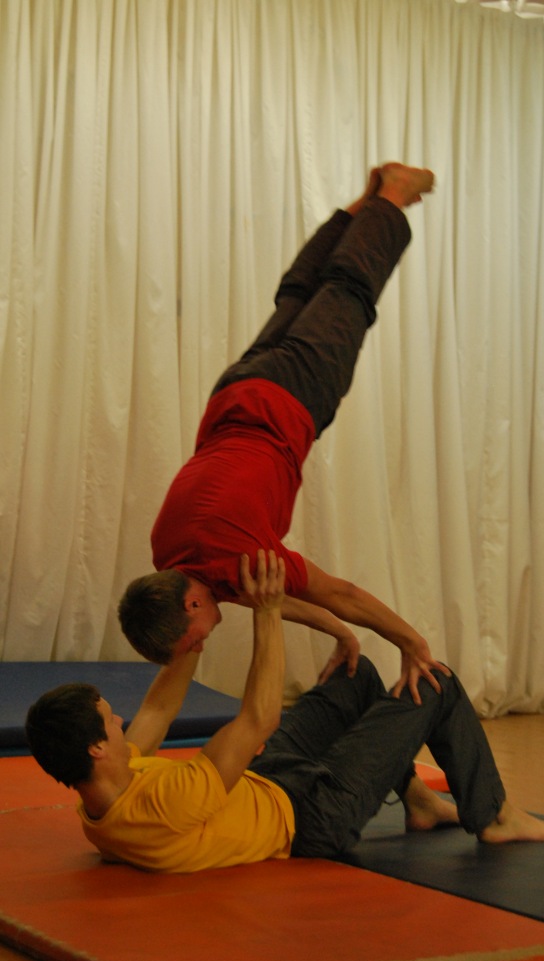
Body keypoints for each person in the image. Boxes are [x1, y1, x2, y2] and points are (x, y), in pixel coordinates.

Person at [118, 162, 444, 705]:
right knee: (299, 294)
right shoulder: (171, 557)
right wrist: (339, 632)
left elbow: (341, 592)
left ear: (192, 606)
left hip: (293, 398)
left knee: (350, 292)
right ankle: (360, 208)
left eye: (191, 641)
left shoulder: (235, 561)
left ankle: (393, 193)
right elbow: (270, 598)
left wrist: (412, 643)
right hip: (236, 391)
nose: (200, 644)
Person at [27, 551, 544, 875]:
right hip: (312, 816)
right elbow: (259, 720)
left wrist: (189, 624)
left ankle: (418, 801)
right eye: (110, 720)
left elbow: (161, 705)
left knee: (355, 677)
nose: (120, 722)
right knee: (435, 682)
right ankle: (494, 816)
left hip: (268, 779)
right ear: (98, 747)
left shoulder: (100, 800)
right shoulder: (164, 806)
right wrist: (267, 610)